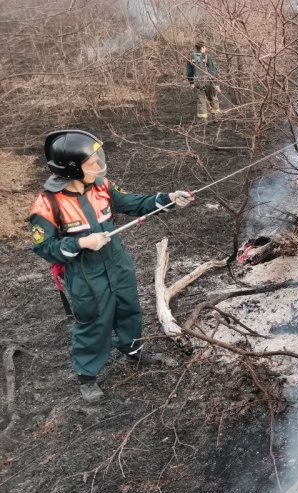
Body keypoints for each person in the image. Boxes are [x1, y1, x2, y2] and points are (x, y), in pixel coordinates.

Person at [29, 130, 193, 402]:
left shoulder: (103, 186)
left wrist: (168, 198)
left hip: (118, 263)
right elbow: (43, 248)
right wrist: (81, 243)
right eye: (91, 163)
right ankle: (87, 376)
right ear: (72, 169)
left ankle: (133, 351)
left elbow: (134, 202)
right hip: (85, 274)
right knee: (94, 321)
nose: (98, 166)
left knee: (129, 308)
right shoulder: (47, 204)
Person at [186, 41, 220, 120]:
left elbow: (189, 73)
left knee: (201, 101)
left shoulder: (191, 57)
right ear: (203, 47)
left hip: (198, 83)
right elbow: (212, 71)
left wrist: (191, 83)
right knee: (213, 99)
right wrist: (215, 84)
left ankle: (203, 121)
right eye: (205, 47)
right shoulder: (207, 57)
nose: (206, 48)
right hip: (209, 82)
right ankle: (216, 118)